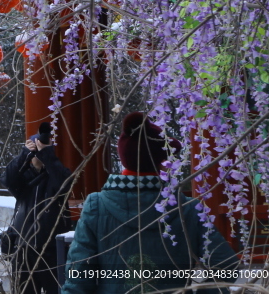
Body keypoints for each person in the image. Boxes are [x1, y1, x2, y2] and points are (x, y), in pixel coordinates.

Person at [61, 112, 238, 294]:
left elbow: (79, 274)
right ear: (162, 162)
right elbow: (226, 263)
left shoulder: (96, 206)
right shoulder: (188, 208)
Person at [3, 121, 74, 294]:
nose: (38, 155)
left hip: (51, 250)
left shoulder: (58, 174)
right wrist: (24, 155)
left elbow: (64, 184)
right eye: (35, 152)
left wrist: (47, 155)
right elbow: (7, 179)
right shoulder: (23, 177)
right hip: (23, 248)